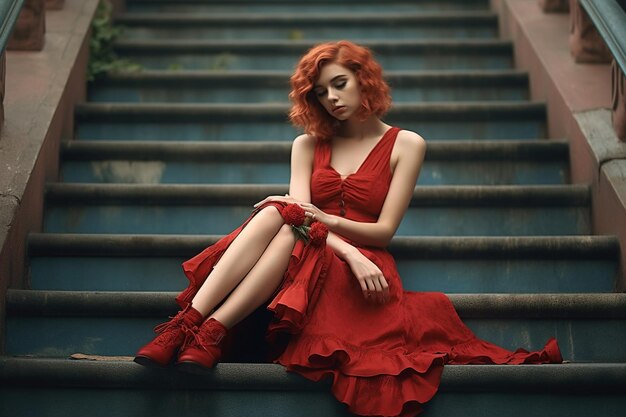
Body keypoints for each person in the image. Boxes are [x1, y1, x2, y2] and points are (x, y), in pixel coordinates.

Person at [134, 40, 562, 417]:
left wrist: (342, 239)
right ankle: (193, 327)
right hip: (304, 257)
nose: (331, 98)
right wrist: (335, 237)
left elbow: (383, 231)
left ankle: (201, 328)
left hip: (362, 270)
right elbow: (297, 215)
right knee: (277, 217)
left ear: (363, 78)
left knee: (283, 218)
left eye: (339, 83)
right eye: (320, 92)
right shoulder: (307, 145)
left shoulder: (407, 144)